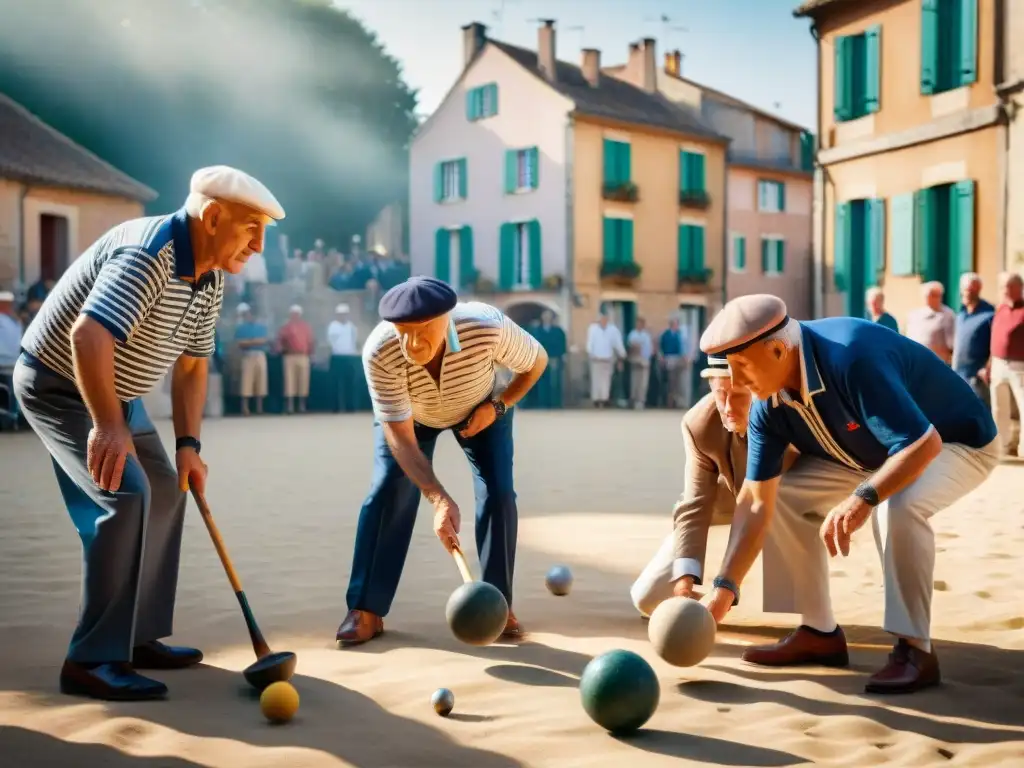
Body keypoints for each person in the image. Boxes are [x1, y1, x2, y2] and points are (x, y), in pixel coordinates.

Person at [13, 165, 284, 701]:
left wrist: (189, 446)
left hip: (118, 394)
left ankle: (135, 638)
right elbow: (87, 336)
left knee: (164, 486)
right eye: (250, 228)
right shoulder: (149, 254)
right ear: (211, 217)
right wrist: (108, 427)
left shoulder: (211, 275)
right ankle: (89, 660)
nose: (258, 244)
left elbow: (191, 365)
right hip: (59, 383)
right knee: (125, 494)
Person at [697, 294, 998, 694]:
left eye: (741, 366)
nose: (735, 383)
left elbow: (922, 444)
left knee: (899, 504)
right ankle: (818, 632)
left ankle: (915, 651)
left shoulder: (851, 357)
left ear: (776, 349)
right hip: (868, 454)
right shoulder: (766, 408)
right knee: (784, 498)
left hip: (956, 442)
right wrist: (723, 592)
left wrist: (864, 498)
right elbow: (754, 500)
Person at [336, 277, 548, 646]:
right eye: (404, 332)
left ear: (447, 319)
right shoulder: (380, 350)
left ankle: (497, 606)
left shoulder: (487, 326)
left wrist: (497, 407)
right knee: (388, 489)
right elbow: (400, 437)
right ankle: (365, 608)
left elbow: (536, 362)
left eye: (422, 332)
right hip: (411, 419)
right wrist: (437, 498)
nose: (412, 343)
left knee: (499, 493)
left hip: (481, 407)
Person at [952, 272, 994, 406]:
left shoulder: (989, 313)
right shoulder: (961, 313)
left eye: (971, 289)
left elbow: (996, 344)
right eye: (964, 289)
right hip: (958, 374)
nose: (967, 293)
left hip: (977, 377)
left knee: (981, 413)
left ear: (978, 290)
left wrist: (987, 367)